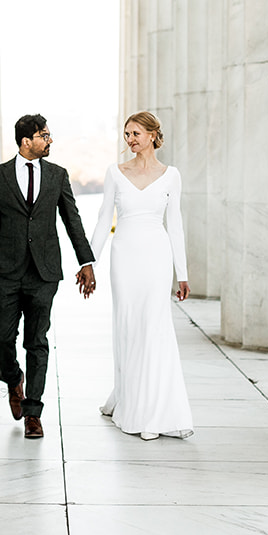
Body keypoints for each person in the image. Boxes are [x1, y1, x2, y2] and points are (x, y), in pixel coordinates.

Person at [0, 114, 97, 439]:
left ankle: (33, 413)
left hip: (44, 273)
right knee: (1, 336)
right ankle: (13, 378)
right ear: (26, 141)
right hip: (4, 272)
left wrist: (86, 261)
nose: (50, 140)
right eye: (44, 135)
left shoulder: (58, 176)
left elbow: (72, 219)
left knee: (37, 341)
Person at [86, 111, 193, 440]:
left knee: (155, 328)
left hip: (157, 258)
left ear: (151, 135)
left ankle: (153, 412)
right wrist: (88, 262)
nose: (129, 139)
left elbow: (174, 225)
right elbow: (105, 219)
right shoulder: (115, 173)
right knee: (129, 326)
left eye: (135, 133)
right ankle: (129, 398)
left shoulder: (171, 175)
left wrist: (182, 273)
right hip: (125, 257)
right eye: (126, 134)